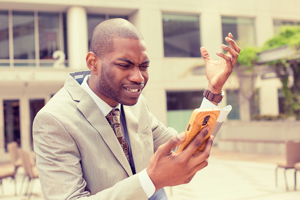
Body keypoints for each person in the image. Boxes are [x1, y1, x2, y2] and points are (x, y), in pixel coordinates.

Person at [33, 18, 240, 200]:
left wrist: (213, 90)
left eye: (143, 66)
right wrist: (150, 180)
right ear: (93, 63)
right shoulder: (54, 120)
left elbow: (182, 149)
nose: (138, 78)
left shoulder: (135, 102)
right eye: (125, 65)